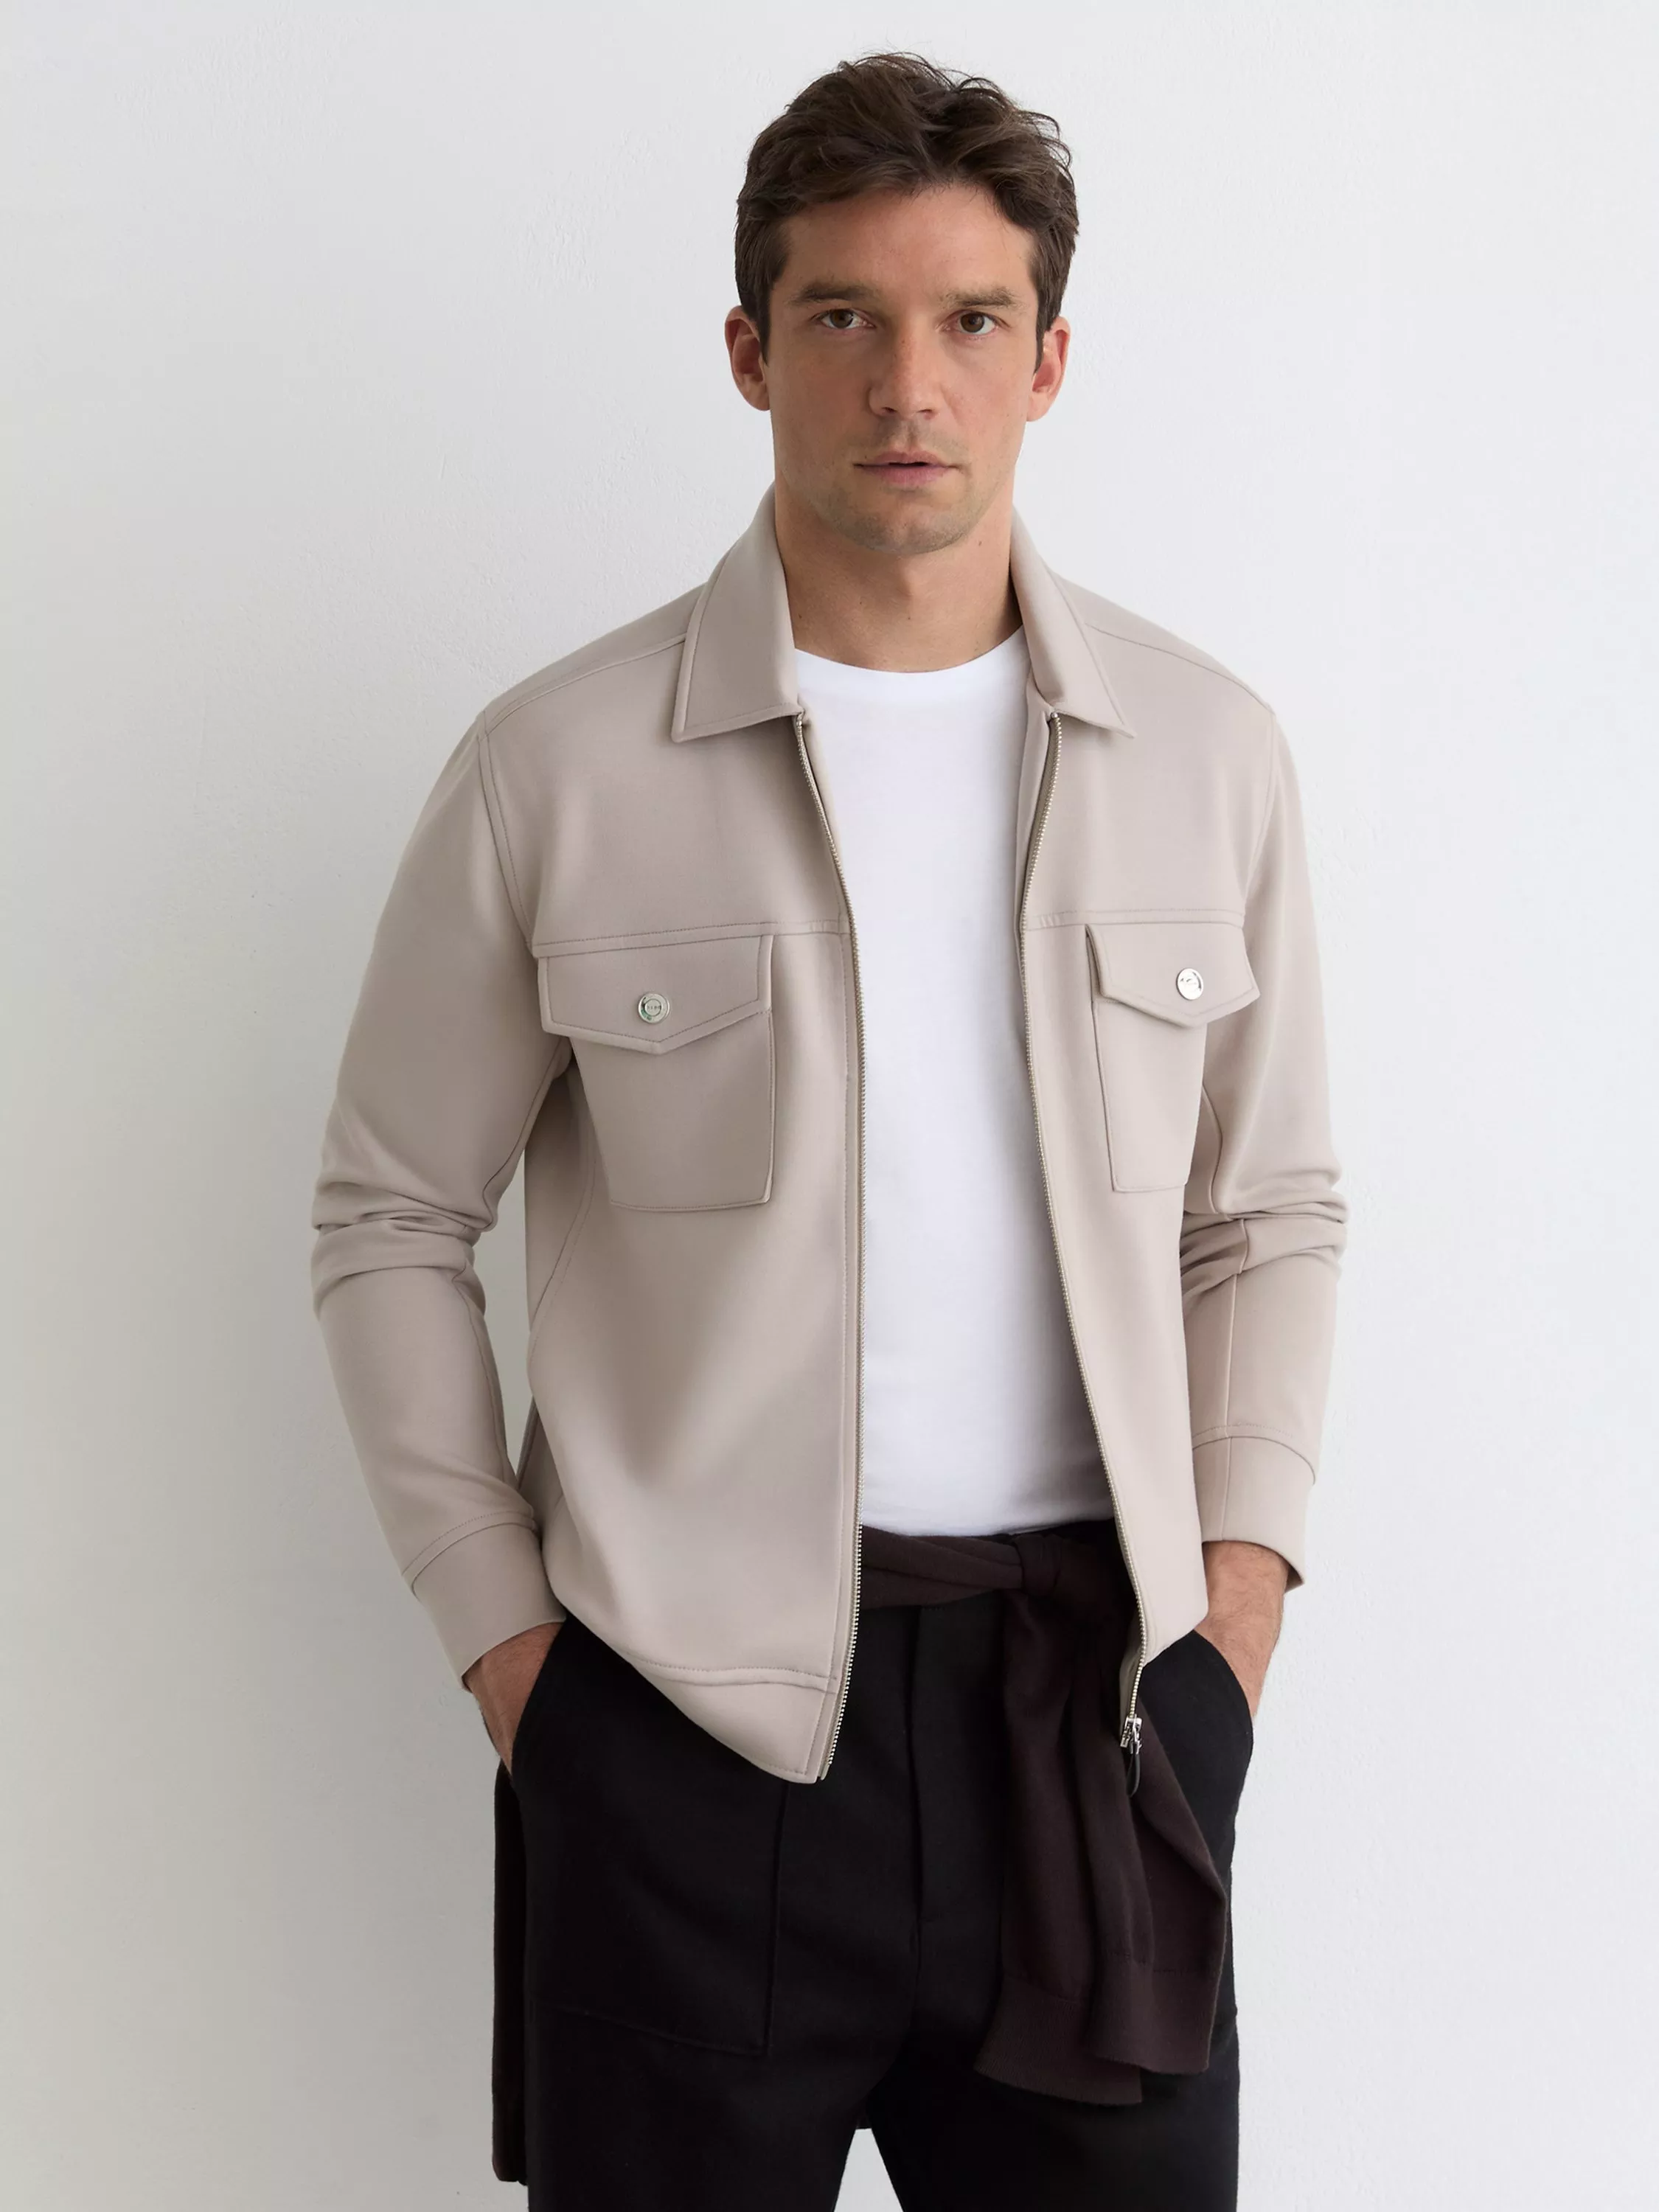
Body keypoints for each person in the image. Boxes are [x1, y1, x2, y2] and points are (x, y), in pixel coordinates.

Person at [309, 49, 1346, 2212]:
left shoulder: (1207, 754)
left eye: (971, 320)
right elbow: (392, 1211)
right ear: (748, 350)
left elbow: (1268, 1215)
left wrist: (1232, 1626)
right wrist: (516, 1658)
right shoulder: (556, 769)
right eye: (843, 316)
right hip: (681, 1736)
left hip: (1097, 1722)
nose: (908, 382)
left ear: (1049, 361)